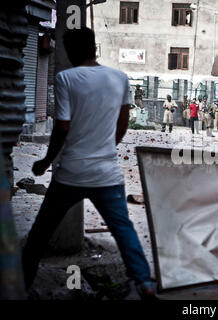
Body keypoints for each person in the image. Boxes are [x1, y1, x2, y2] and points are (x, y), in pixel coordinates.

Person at [22, 27, 156, 300]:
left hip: (70, 173)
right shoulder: (119, 78)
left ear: (70, 52)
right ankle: (143, 282)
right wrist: (104, 149)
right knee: (123, 229)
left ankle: (19, 285)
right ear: (94, 48)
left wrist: (46, 161)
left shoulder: (66, 78)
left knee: (39, 235)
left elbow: (62, 126)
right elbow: (122, 126)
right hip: (107, 174)